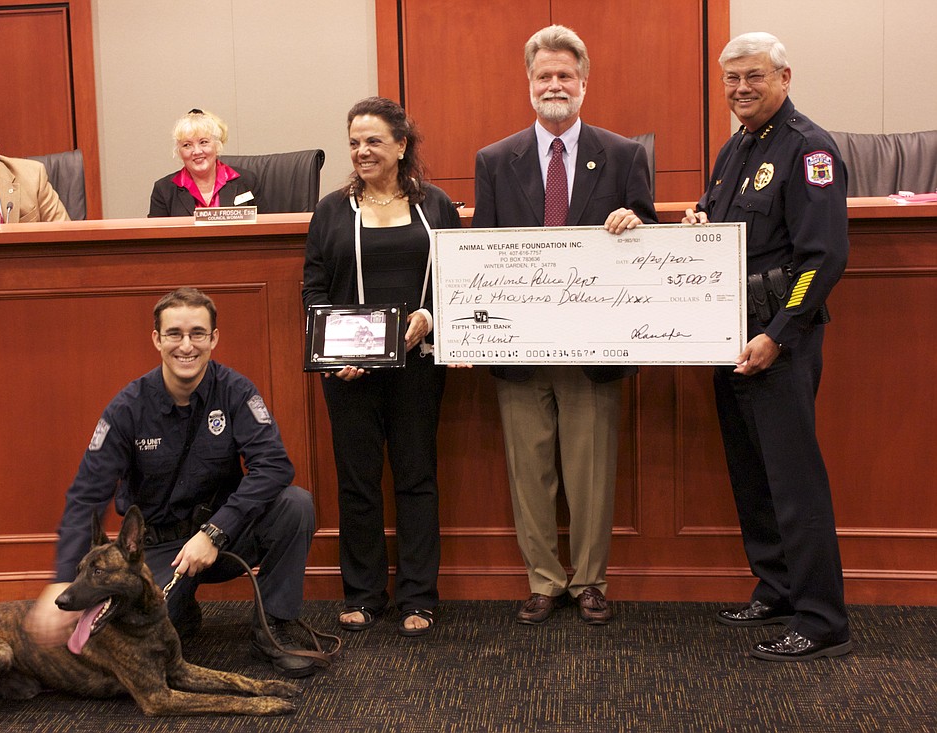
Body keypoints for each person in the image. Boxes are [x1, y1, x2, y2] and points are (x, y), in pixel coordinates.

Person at [25, 287, 323, 678]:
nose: (186, 345)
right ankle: (183, 607)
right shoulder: (128, 408)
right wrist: (64, 577)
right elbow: (87, 495)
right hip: (159, 550)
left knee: (295, 504)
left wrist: (215, 532)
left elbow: (274, 466)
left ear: (214, 338)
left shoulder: (236, 392)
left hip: (224, 539)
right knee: (139, 650)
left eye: (198, 333)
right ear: (157, 339)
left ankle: (274, 628)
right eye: (174, 334)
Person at [472, 25, 656, 627]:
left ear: (584, 83)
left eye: (565, 76)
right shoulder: (494, 160)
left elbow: (652, 245)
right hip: (519, 347)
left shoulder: (625, 155)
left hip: (594, 346)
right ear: (529, 84)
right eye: (544, 75)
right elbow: (480, 254)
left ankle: (591, 582)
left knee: (591, 472)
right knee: (530, 473)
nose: (555, 85)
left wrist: (636, 223)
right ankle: (544, 581)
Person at [683, 32, 852, 661]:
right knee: (754, 475)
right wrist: (698, 223)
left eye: (753, 76)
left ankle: (822, 619)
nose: (741, 89)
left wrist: (778, 335)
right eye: (731, 79)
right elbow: (719, 222)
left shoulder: (809, 149)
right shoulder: (736, 149)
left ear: (784, 77)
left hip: (778, 340)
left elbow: (822, 258)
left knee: (793, 481)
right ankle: (777, 589)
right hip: (730, 335)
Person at [302, 96, 461, 637]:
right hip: (350, 372)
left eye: (373, 140)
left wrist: (430, 317)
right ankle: (364, 594)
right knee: (358, 482)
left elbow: (458, 280)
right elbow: (314, 289)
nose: (362, 151)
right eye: (354, 143)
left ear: (401, 144)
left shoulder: (436, 205)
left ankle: (418, 595)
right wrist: (337, 354)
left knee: (417, 478)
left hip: (418, 365)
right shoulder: (331, 210)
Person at [148, 109, 266, 216]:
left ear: (217, 145)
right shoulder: (164, 189)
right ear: (179, 152)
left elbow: (267, 227)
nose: (197, 151)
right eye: (187, 145)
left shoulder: (247, 181)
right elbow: (155, 233)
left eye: (203, 142)